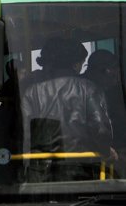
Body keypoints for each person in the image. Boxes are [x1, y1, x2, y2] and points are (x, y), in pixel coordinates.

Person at [21, 38, 114, 181]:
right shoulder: (89, 89)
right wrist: (107, 153)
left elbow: (24, 134)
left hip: (40, 173)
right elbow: (101, 130)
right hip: (82, 170)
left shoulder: (31, 92)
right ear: (76, 64)